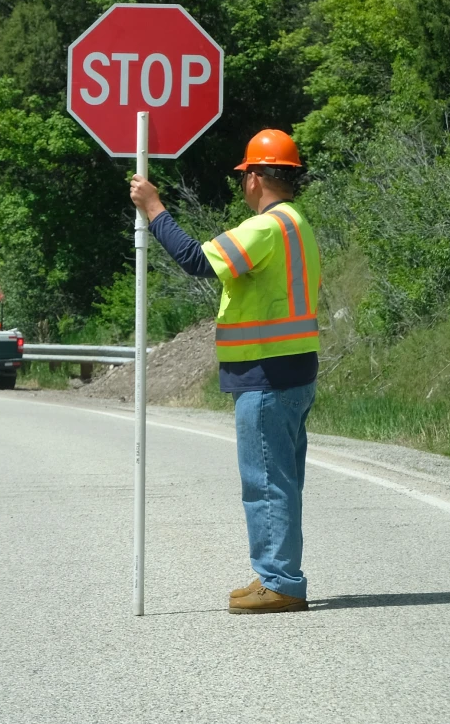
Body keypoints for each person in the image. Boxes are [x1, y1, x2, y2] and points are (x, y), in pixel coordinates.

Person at [130, 129, 320, 614]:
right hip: (295, 373)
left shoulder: (265, 228)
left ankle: (279, 581)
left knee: (265, 483)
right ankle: (278, 575)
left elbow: (196, 260)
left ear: (255, 176)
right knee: (282, 481)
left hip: (266, 375)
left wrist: (154, 209)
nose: (243, 184)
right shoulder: (298, 224)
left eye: (244, 175)